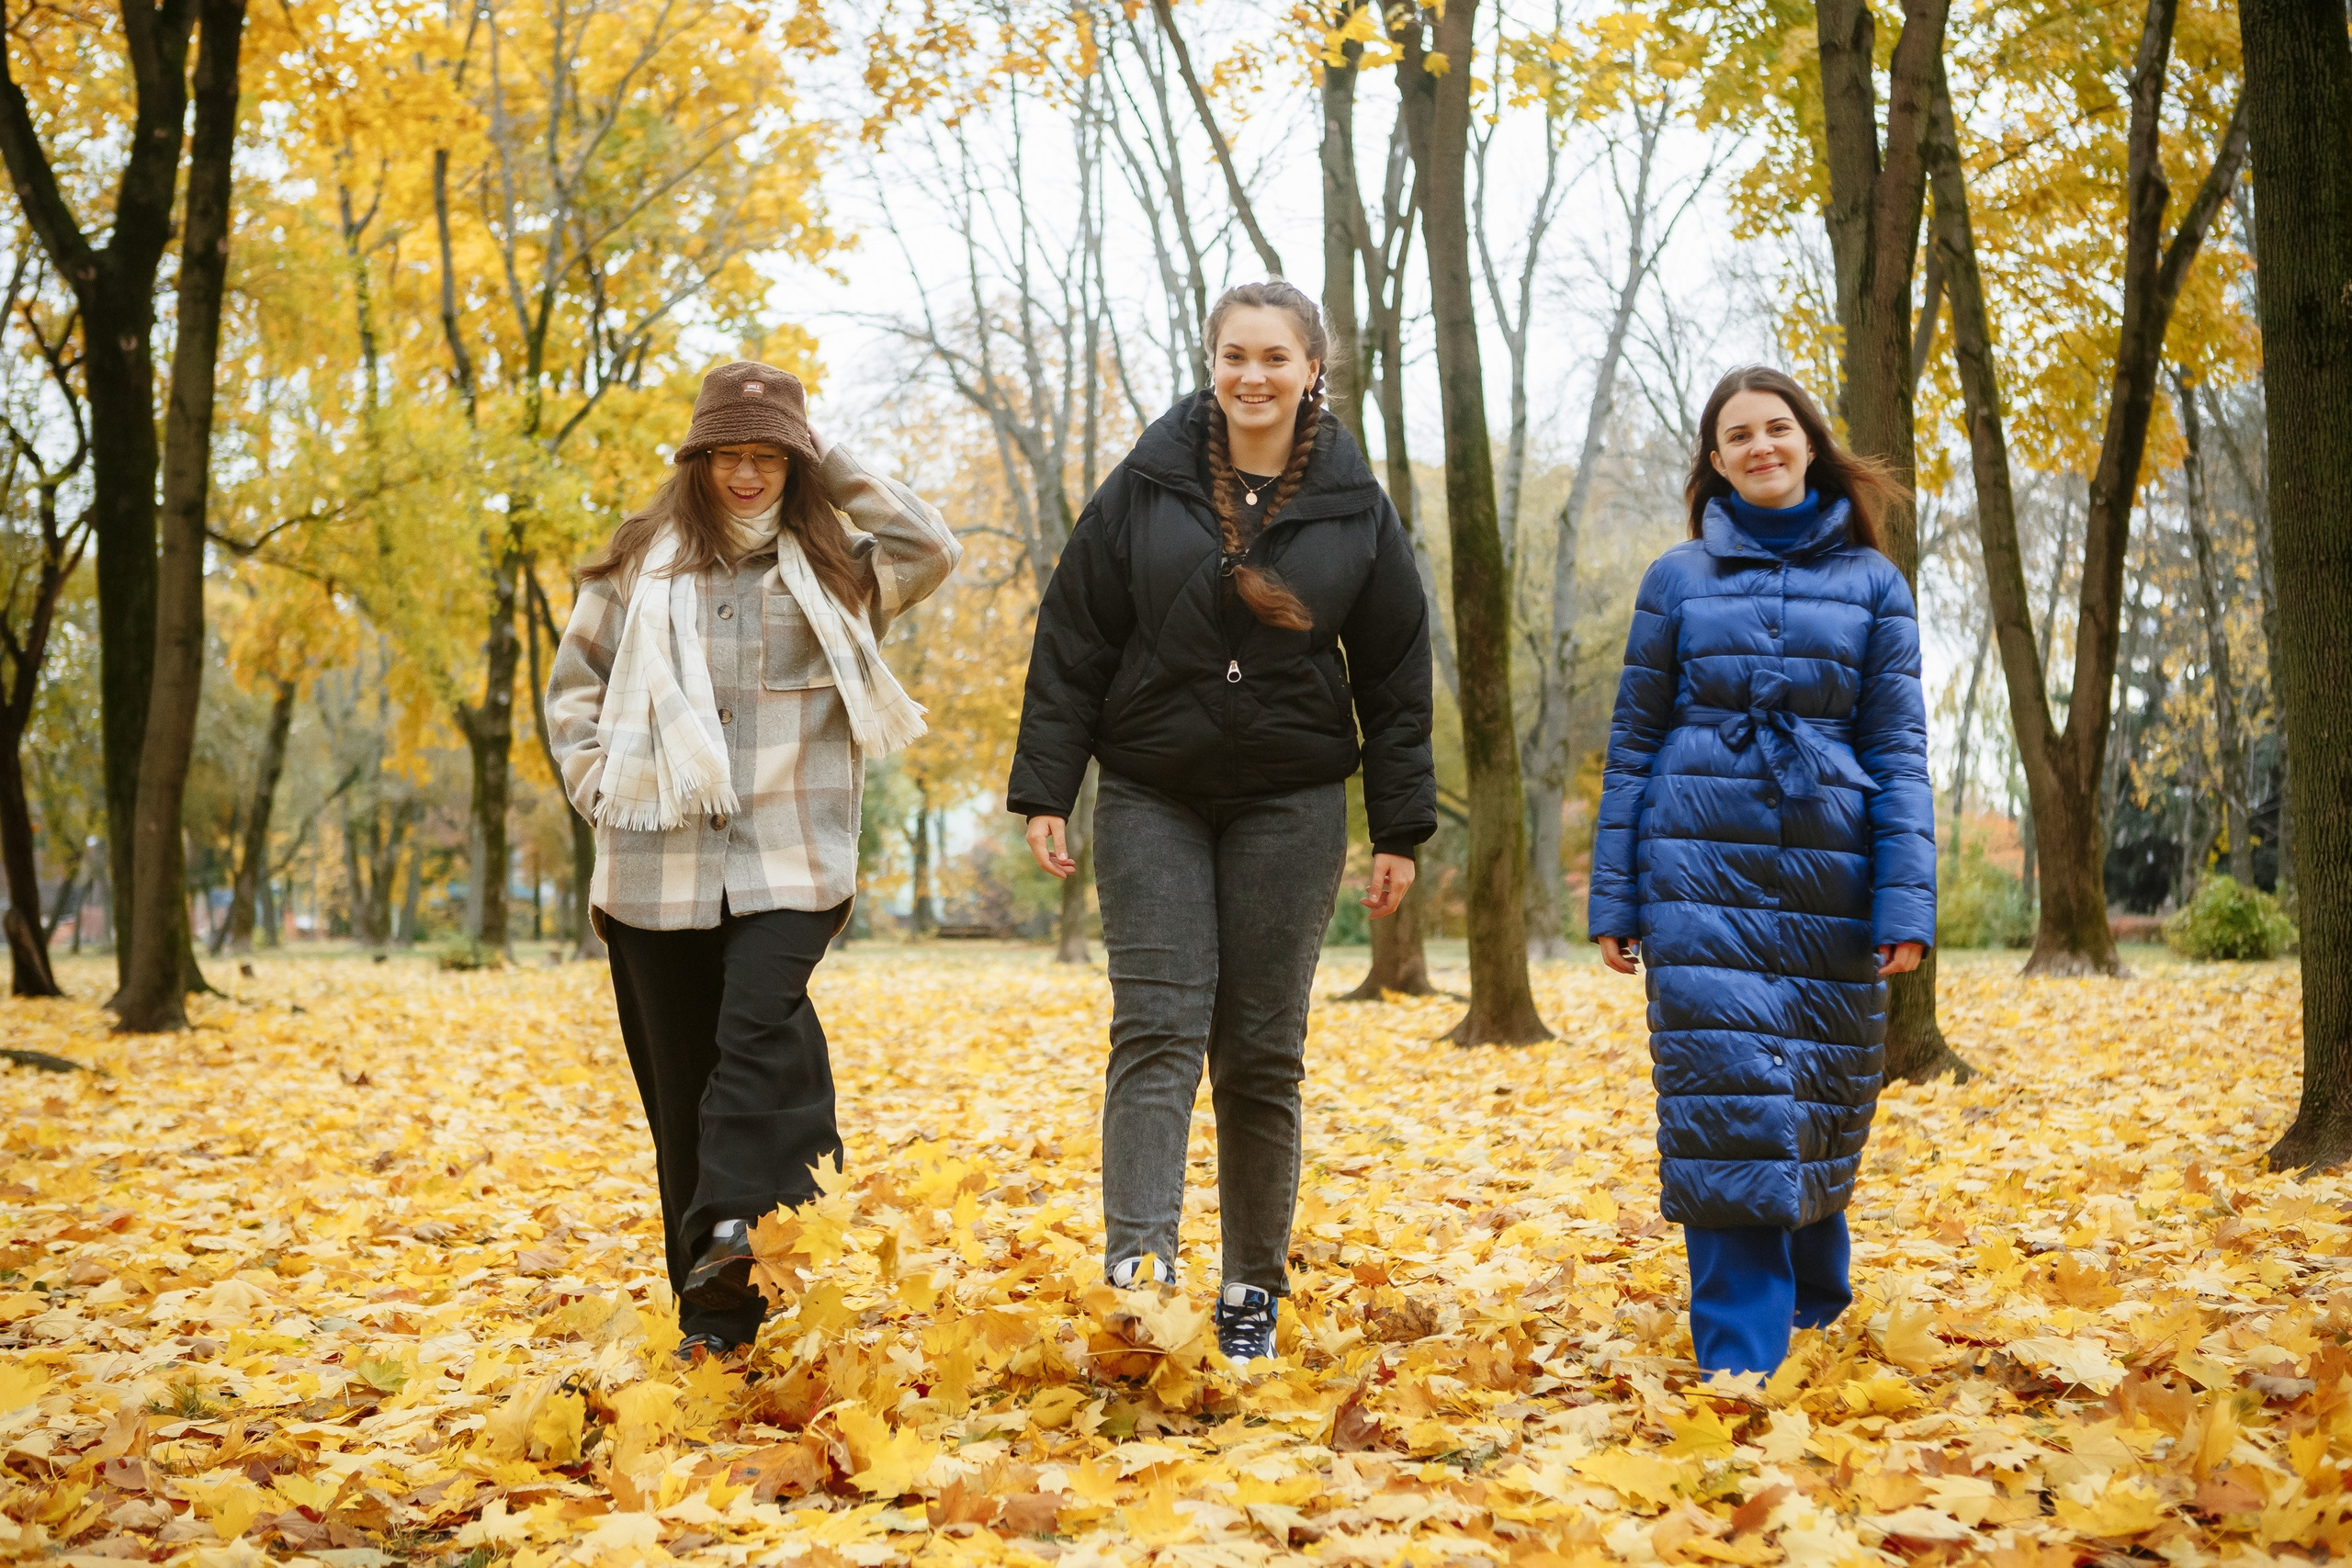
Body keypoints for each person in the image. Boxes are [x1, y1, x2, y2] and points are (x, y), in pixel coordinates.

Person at [1008, 280, 1436, 1362]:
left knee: (1259, 1052)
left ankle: (1253, 1288)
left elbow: (1393, 672)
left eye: (1275, 359)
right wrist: (1046, 787)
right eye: (1234, 356)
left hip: (1289, 802)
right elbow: (1075, 635)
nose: (1253, 376)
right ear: (1212, 364)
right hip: (1152, 789)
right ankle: (1141, 1271)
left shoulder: (1352, 504)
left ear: (1311, 371)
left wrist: (1398, 828)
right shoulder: (1146, 486)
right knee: (1155, 1027)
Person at [547, 361, 960, 1359]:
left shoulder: (838, 567)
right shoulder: (637, 566)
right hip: (655, 864)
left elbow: (931, 545)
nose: (745, 475)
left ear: (793, 461)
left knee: (756, 1025)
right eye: (728, 455)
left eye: (767, 456)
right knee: (681, 1097)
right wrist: (596, 781)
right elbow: (574, 690)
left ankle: (739, 1220)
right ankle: (715, 1323)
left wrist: (827, 459)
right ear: (696, 461)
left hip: (790, 860)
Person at [1587, 366, 1935, 1379]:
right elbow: (1633, 740)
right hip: (1695, 873)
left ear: (1809, 442)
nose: (1758, 447)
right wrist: (1614, 894)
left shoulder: (1876, 585)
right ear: (1714, 461)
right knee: (1724, 1097)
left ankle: (1815, 1299)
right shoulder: (1676, 579)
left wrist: (1902, 900)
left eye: (1775, 429)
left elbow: (1899, 752)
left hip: (1832, 877)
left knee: (1822, 1092)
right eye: (1735, 436)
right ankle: (1739, 1357)